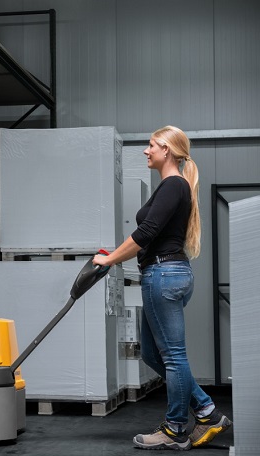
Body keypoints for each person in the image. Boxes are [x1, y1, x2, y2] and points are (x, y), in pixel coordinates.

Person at [92, 125, 232, 451]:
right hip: (167, 274)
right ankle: (207, 411)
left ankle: (175, 429)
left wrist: (111, 258)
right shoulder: (172, 187)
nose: (146, 150)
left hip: (163, 276)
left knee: (172, 356)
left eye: (151, 145)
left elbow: (145, 234)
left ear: (166, 150)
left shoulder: (173, 186)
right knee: (154, 353)